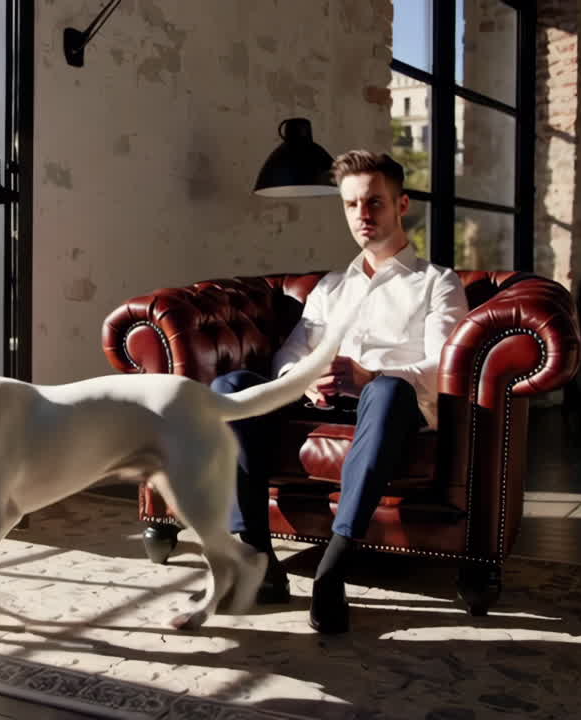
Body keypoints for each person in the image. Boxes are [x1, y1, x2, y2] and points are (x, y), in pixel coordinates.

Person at [210, 150, 469, 633]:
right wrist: (311, 378)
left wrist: (368, 375)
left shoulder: (437, 283)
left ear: (401, 204)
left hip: (391, 406)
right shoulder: (331, 286)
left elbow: (441, 368)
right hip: (321, 400)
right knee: (231, 387)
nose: (362, 216)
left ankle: (334, 566)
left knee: (389, 391)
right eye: (352, 205)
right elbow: (288, 355)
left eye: (374, 203)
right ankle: (259, 561)